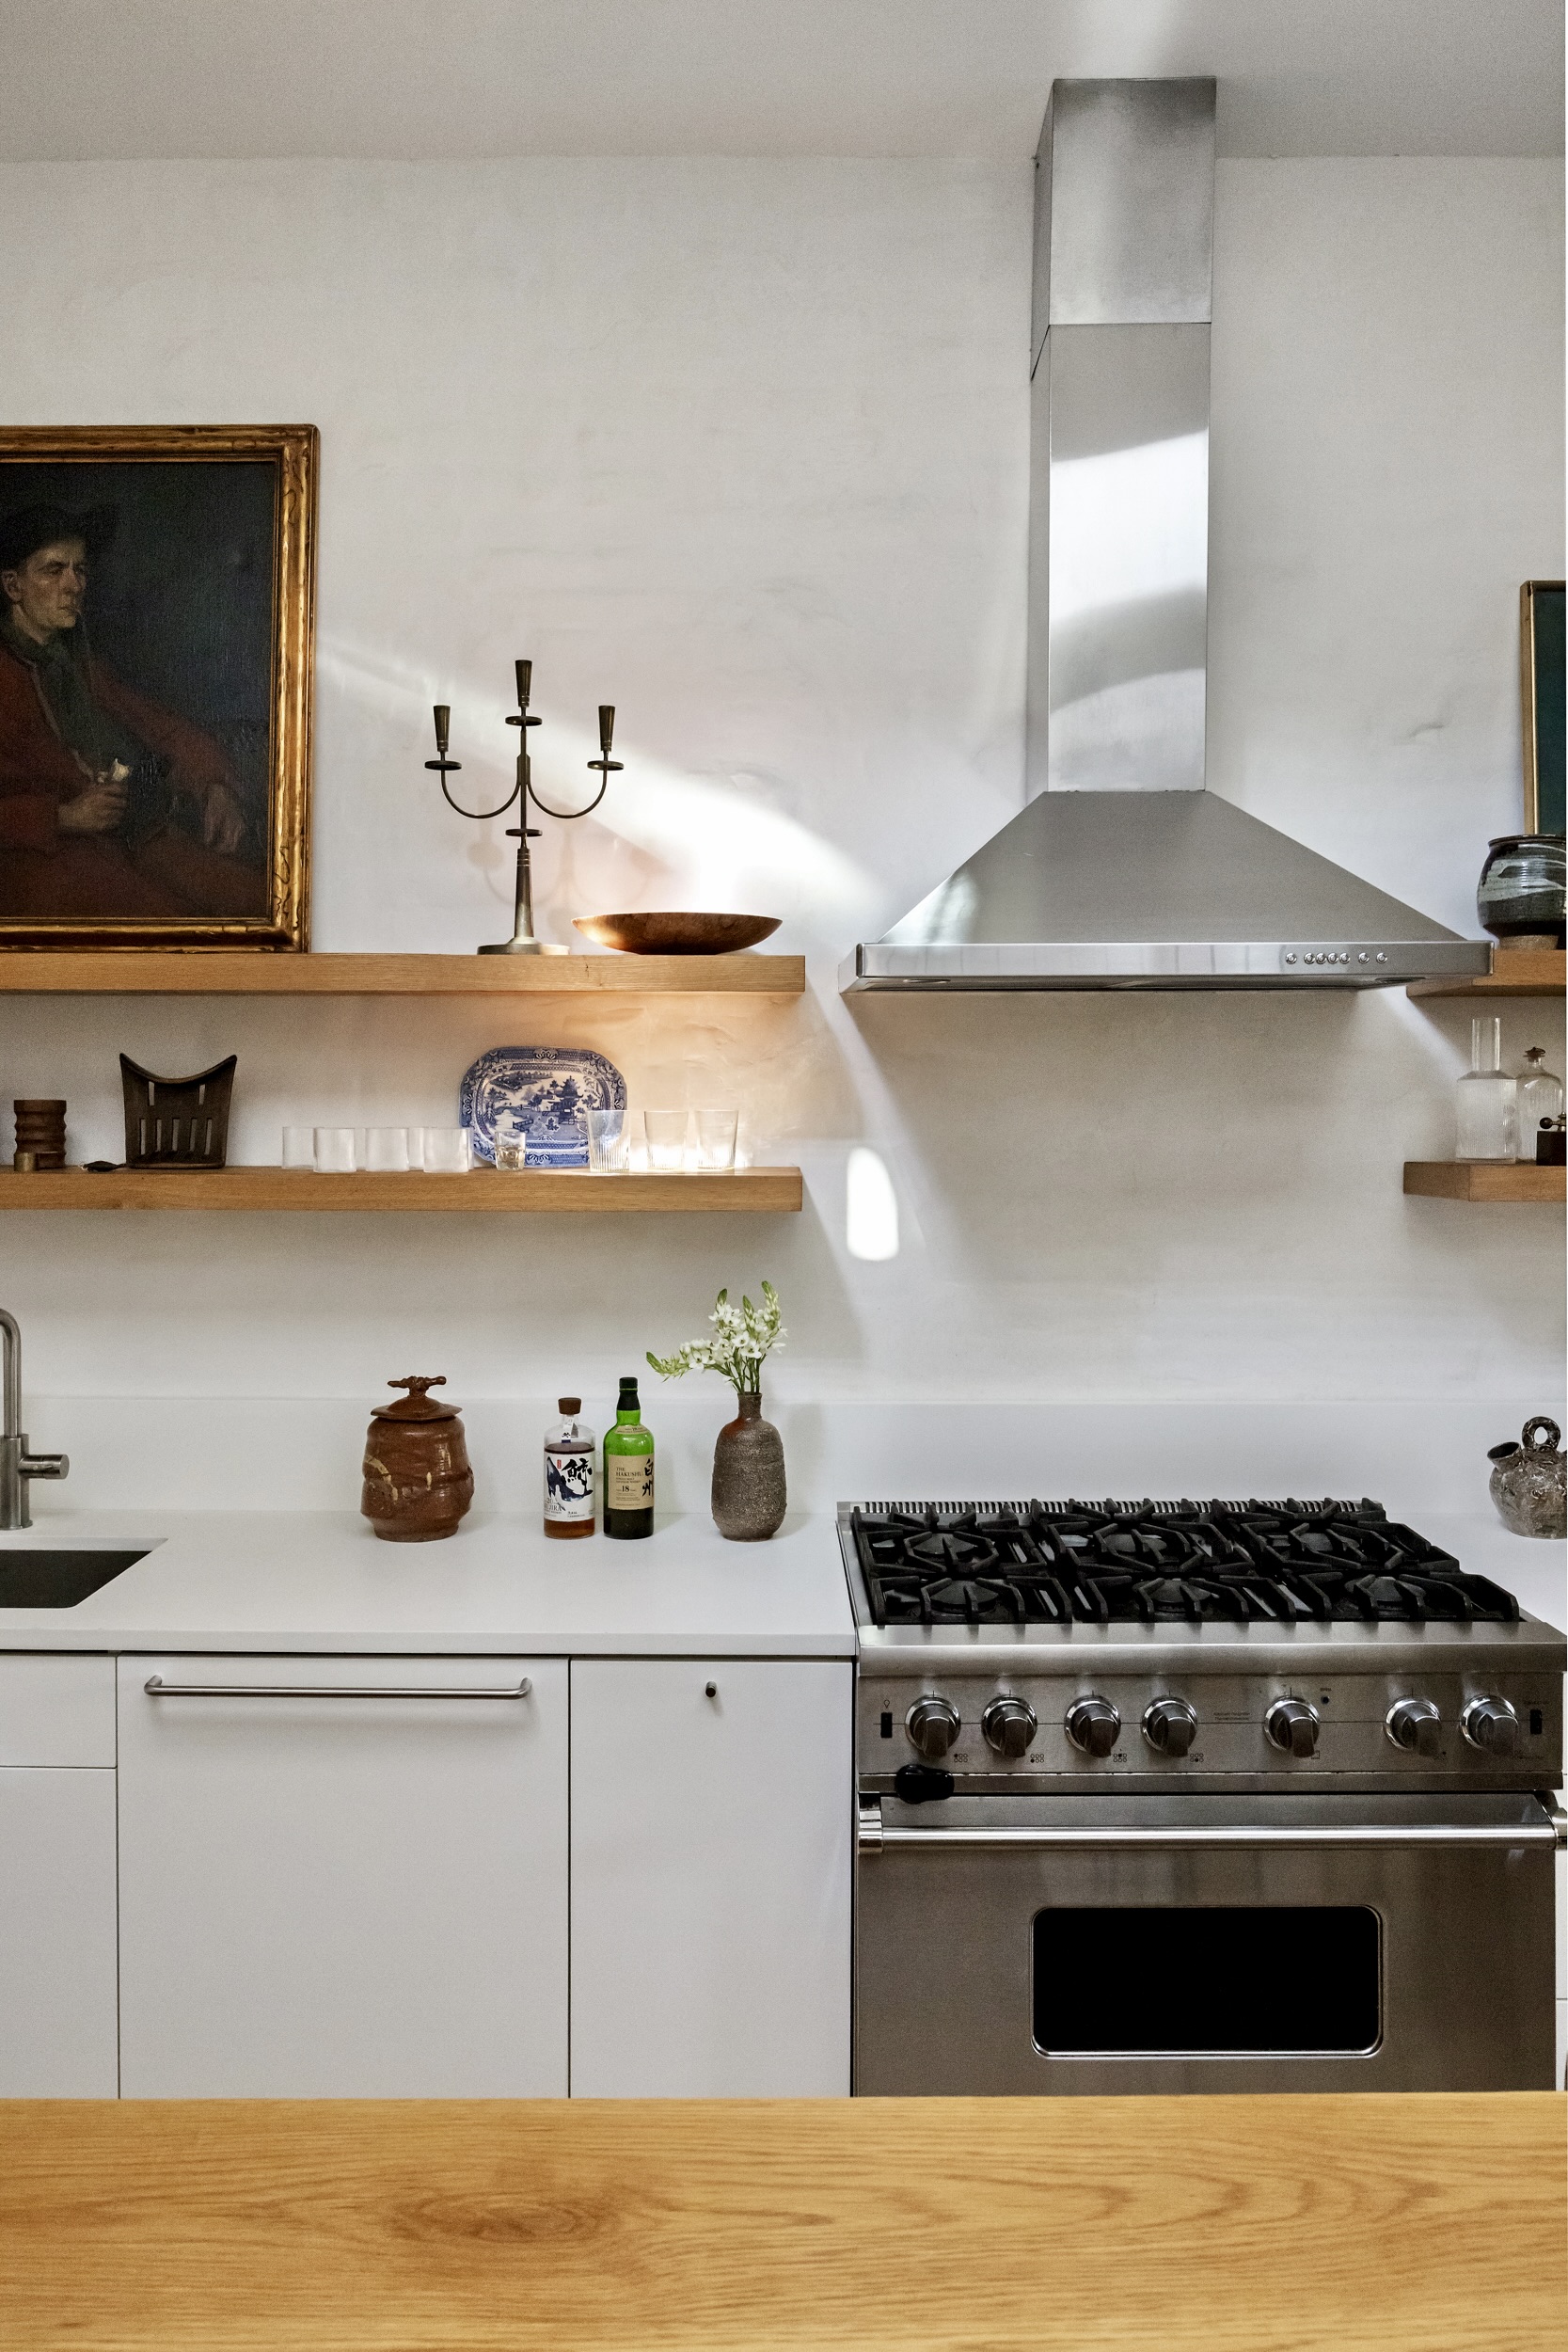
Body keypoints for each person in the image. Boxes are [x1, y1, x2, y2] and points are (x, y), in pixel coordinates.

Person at [0, 501, 263, 920]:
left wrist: (214, 783)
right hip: (38, 863)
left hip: (120, 836)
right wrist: (63, 817)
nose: (74, 585)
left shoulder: (76, 666)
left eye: (80, 570)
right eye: (54, 570)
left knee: (251, 898)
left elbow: (161, 726)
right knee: (179, 925)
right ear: (13, 586)